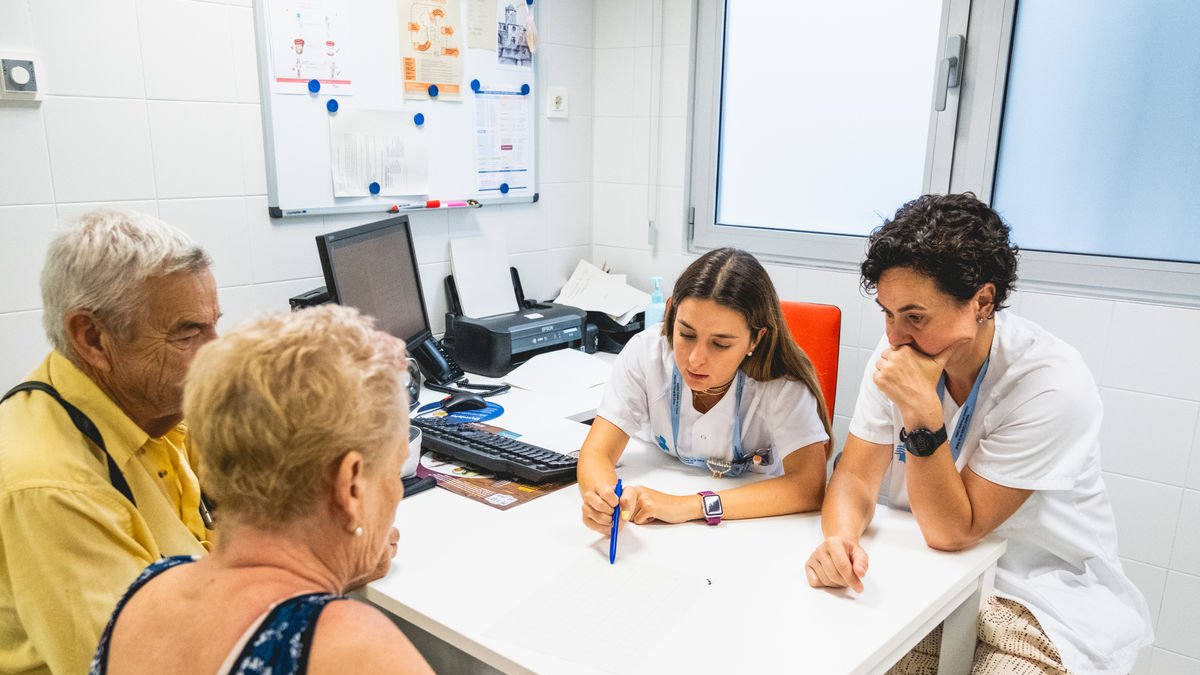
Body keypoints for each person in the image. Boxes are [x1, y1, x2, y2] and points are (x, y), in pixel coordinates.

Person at [805, 193, 1152, 674]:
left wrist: (921, 412)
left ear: (983, 301)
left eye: (915, 316)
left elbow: (954, 530)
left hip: (1038, 595)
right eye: (887, 312)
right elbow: (854, 479)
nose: (895, 336)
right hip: (929, 574)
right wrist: (840, 540)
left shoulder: (1050, 382)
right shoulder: (901, 353)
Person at [91, 305, 432, 674]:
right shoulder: (352, 648)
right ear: (350, 486)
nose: (396, 493)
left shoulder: (146, 591)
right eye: (393, 470)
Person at [0, 210, 220, 674]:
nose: (216, 352)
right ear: (93, 338)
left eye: (213, 325)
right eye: (188, 332)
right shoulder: (51, 486)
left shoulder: (151, 402)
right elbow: (141, 665)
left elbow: (264, 486)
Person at [578, 248, 831, 532]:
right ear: (672, 316)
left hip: (753, 527)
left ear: (755, 340)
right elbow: (597, 452)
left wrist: (691, 506)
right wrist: (602, 501)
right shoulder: (646, 352)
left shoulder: (782, 384)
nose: (696, 359)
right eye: (686, 334)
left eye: (720, 344)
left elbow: (808, 487)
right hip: (654, 511)